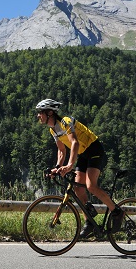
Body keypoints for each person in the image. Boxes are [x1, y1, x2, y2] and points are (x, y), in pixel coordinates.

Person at [35, 98, 123, 238]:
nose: (38, 116)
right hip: (83, 154)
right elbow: (61, 151)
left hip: (94, 149)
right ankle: (89, 222)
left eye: (40, 113)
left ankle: (117, 212)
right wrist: (57, 167)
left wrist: (69, 165)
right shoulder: (53, 130)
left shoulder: (65, 122)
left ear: (50, 112)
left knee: (90, 186)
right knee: (77, 188)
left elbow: (74, 143)